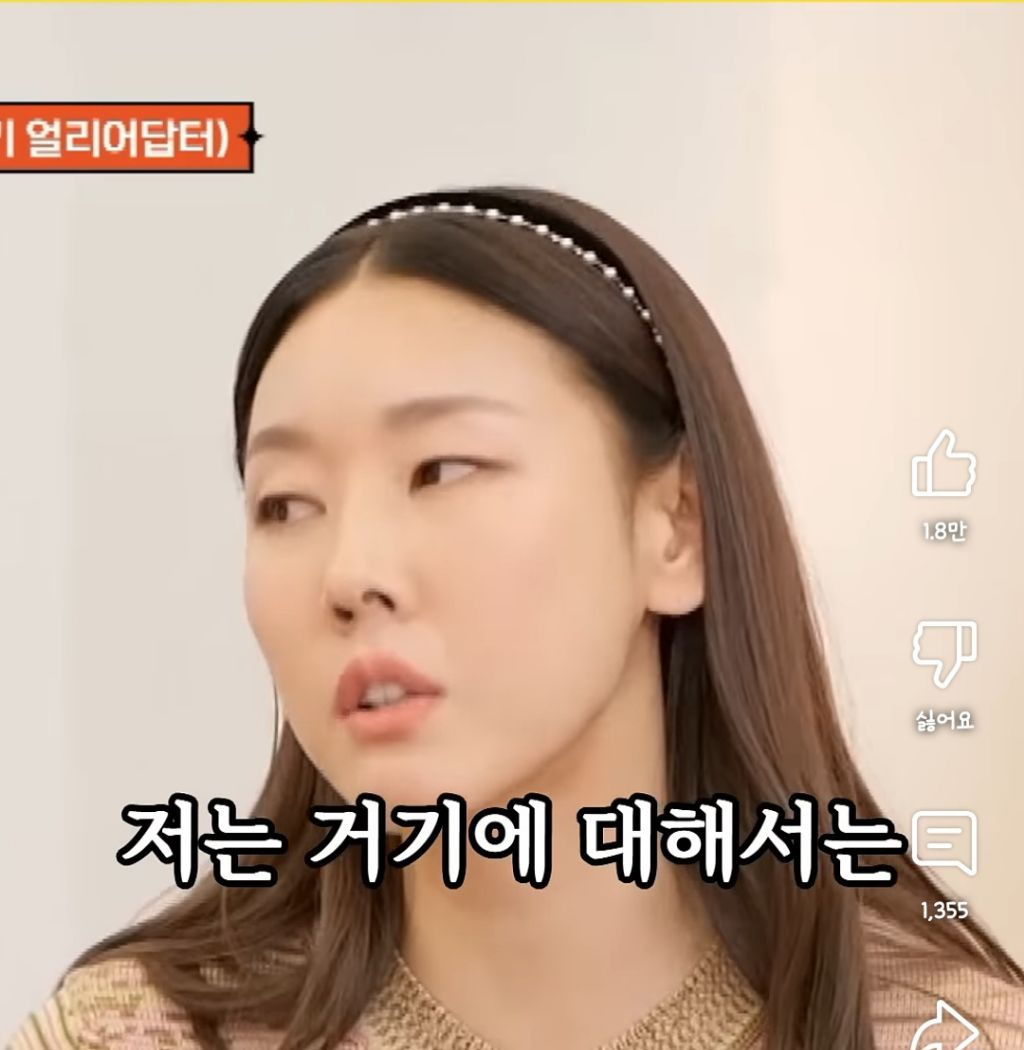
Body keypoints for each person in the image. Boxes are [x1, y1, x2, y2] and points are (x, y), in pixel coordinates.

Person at [9, 185, 1024, 1050]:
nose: (351, 573)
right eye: (286, 505)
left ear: (676, 529)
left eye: (442, 469)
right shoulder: (134, 1033)